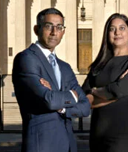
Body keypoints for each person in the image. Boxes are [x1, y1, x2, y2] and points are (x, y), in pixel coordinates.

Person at [12, 8, 90, 152]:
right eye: (49, 26)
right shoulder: (26, 59)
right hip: (42, 146)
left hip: (68, 146)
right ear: (37, 29)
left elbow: (85, 107)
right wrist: (72, 95)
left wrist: (62, 108)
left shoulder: (65, 67)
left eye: (59, 27)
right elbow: (49, 100)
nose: (54, 32)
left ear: (63, 32)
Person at [81, 13, 128, 152]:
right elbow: (83, 98)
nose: (117, 32)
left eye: (122, 28)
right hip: (98, 132)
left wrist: (94, 91)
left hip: (124, 131)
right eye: (112, 29)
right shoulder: (99, 65)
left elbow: (119, 90)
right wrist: (112, 92)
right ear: (107, 35)